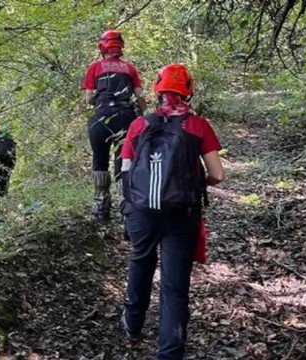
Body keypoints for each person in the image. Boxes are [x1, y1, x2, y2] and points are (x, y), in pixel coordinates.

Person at [119, 64, 225, 360]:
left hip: (141, 211)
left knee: (141, 260)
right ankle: (170, 352)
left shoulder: (139, 125)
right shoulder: (198, 126)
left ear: (158, 90)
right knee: (174, 285)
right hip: (182, 213)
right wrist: (190, 182)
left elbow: (126, 171)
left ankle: (132, 324)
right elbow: (217, 174)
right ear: (188, 90)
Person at [82, 29, 147, 221]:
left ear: (102, 47)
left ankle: (101, 207)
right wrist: (144, 114)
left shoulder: (94, 67)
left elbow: (89, 98)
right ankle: (128, 208)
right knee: (124, 161)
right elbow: (140, 96)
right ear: (120, 47)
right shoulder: (130, 68)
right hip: (126, 118)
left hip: (100, 119)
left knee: (100, 161)